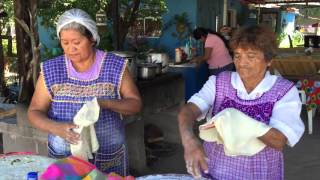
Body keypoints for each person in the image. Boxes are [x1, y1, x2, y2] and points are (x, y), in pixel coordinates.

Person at [178, 25, 305, 179]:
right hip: (215, 168)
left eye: (251, 56)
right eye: (237, 56)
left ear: (269, 60)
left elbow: (279, 140)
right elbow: (188, 111)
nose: (242, 63)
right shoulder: (219, 82)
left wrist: (240, 121)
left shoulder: (283, 91)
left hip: (259, 172)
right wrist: (189, 140)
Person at [27, 9, 142, 176]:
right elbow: (34, 112)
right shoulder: (51, 70)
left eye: (76, 42)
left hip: (109, 156)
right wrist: (56, 128)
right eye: (65, 43)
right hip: (64, 158)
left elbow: (135, 104)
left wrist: (104, 103)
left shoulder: (115, 66)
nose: (70, 49)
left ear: (92, 38)